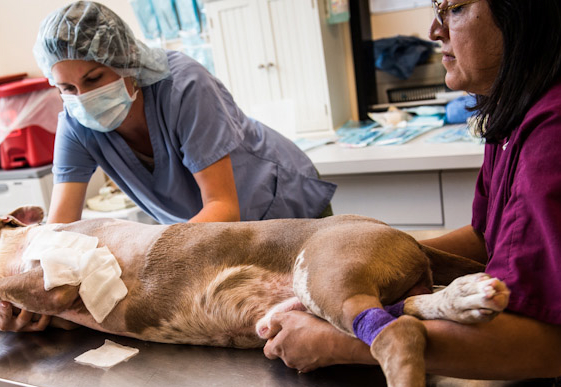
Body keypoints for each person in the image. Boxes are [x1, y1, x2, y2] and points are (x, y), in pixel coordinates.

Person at [261, 0, 561, 379]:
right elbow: (488, 236)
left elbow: (547, 346)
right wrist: (356, 273)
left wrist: (340, 342)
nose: (435, 32)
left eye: (452, 9)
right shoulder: (516, 107)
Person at [33, 1, 336, 225]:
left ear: (126, 62)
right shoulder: (76, 123)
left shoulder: (184, 86)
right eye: (67, 88)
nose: (83, 98)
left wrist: (149, 258)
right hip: (213, 233)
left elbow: (222, 206)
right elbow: (61, 227)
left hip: (284, 205)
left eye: (94, 79)